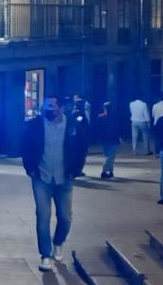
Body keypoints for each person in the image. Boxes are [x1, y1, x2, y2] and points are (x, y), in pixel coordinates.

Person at [21, 96, 87, 272]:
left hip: (64, 178)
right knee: (43, 216)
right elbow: (25, 146)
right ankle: (45, 255)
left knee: (65, 217)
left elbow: (82, 147)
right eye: (46, 106)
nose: (48, 110)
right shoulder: (35, 125)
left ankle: (58, 241)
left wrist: (76, 169)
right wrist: (30, 169)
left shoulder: (72, 125)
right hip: (41, 178)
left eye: (51, 106)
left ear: (61, 108)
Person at [93, 102, 120, 179]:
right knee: (110, 156)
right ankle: (105, 171)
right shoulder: (115, 117)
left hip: (104, 139)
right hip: (113, 138)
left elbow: (98, 129)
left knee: (109, 156)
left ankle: (110, 171)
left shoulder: (101, 117)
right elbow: (118, 128)